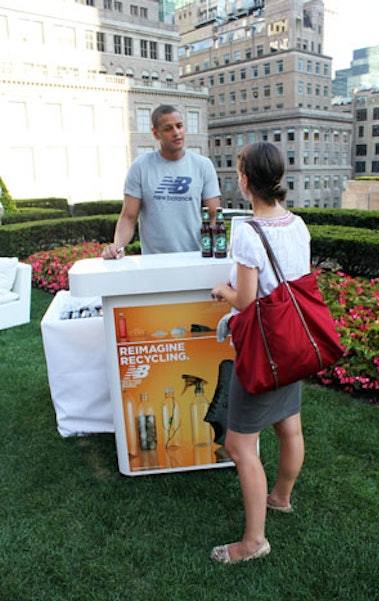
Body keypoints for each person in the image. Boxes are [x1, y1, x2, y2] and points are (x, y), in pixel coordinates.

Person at [210, 141, 311, 564]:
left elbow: (247, 300)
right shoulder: (298, 224)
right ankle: (281, 498)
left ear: (245, 180)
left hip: (261, 351)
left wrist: (222, 291)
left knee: (239, 446)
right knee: (289, 427)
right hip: (293, 344)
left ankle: (254, 542)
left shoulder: (248, 232)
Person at [102, 104, 220, 258]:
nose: (176, 133)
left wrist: (216, 246)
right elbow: (128, 217)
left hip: (195, 258)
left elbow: (213, 215)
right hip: (154, 263)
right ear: (156, 134)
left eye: (179, 126)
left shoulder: (203, 165)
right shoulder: (140, 167)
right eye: (168, 128)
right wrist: (117, 246)